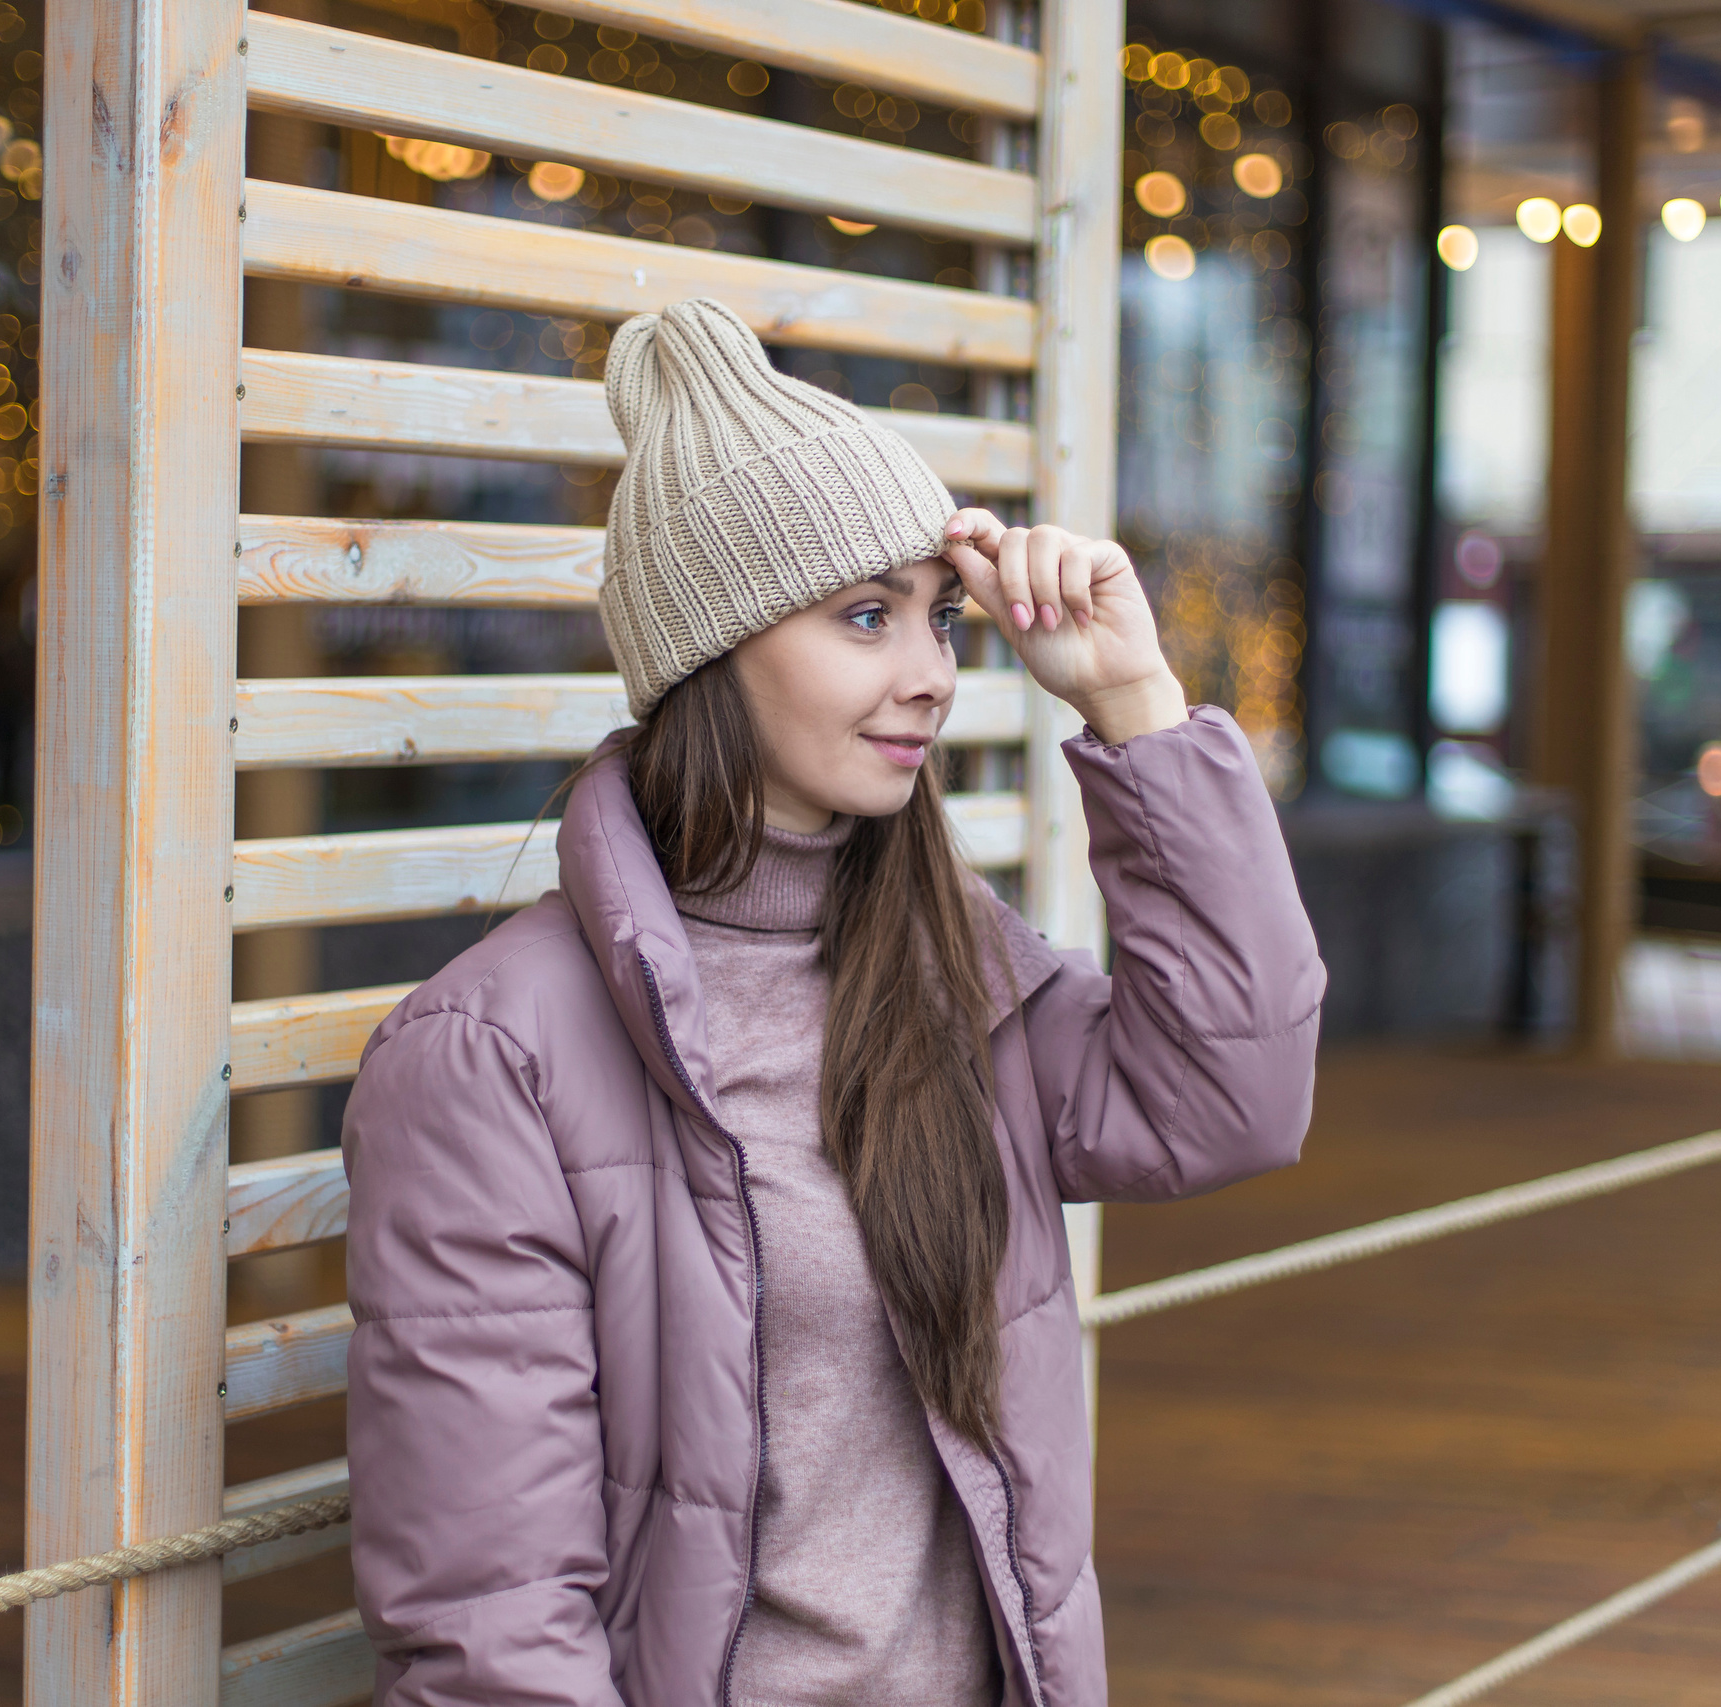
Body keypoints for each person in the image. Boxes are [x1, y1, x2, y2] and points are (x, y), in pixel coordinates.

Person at [340, 296, 1325, 1707]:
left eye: (941, 619)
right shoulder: (492, 1057)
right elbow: (494, 1626)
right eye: (866, 617)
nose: (928, 673)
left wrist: (1137, 703)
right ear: (712, 653)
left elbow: (1233, 1101)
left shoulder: (953, 976)